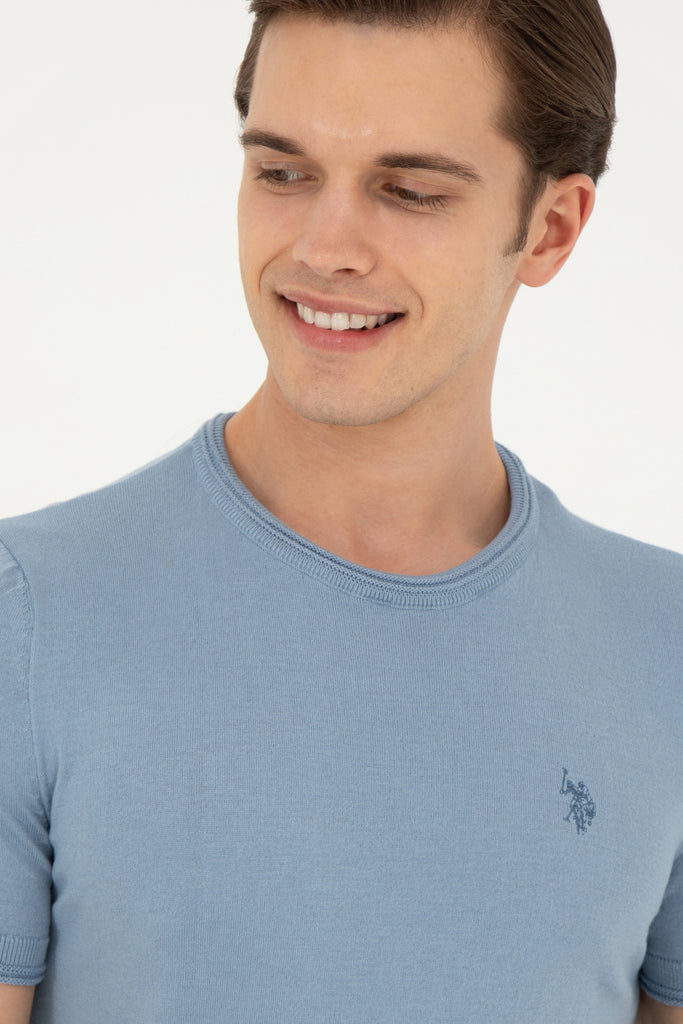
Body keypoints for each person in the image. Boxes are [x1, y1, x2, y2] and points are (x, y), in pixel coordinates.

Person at [1, 0, 681, 1020]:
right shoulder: (29, 619)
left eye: (408, 191)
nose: (324, 247)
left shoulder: (664, 643)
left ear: (550, 228)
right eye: (282, 173)